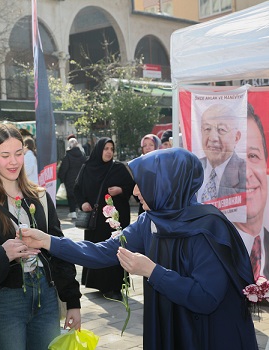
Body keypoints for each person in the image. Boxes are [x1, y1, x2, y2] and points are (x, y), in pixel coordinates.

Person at [21, 148, 258, 349]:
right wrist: (47, 241)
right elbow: (102, 252)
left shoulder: (208, 228)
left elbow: (206, 298)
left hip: (208, 334)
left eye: (144, 183)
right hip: (170, 325)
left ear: (167, 185)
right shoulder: (151, 221)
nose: (135, 191)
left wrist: (153, 271)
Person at [0, 124, 82, 350]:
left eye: (19, 154)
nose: (14, 162)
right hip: (3, 300)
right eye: (5, 155)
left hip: (45, 297)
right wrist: (1, 254)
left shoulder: (40, 197)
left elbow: (60, 250)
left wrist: (72, 301)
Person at [73, 137, 134, 299]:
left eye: (111, 149)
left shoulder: (118, 168)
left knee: (114, 248)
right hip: (96, 220)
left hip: (115, 219)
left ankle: (114, 287)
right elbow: (77, 189)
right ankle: (99, 284)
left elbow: (132, 186)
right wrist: (83, 203)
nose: (109, 152)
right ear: (99, 149)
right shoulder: (87, 167)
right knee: (97, 248)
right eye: (106, 148)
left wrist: (120, 189)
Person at [235, 104, 269, 279]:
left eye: (253, 156)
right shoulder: (211, 245)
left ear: (265, 163)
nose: (246, 173)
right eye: (236, 160)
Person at [197, 104, 246, 203]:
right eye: (207, 129)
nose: (213, 138)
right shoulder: (192, 168)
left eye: (221, 130)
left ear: (236, 137)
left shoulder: (246, 173)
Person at [57, 137, 86, 219]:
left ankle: (73, 212)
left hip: (69, 180)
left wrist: (61, 178)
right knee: (79, 195)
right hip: (80, 179)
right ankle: (79, 210)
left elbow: (64, 169)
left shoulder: (68, 156)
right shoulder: (82, 155)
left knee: (71, 196)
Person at [136, 134, 161, 214]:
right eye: (145, 145)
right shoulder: (139, 164)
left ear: (156, 146)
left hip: (158, 203)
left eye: (151, 145)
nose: (148, 147)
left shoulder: (161, 163)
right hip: (143, 204)